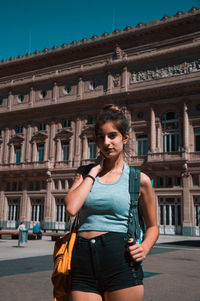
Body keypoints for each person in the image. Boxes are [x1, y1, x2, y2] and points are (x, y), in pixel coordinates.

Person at [65, 104, 159, 301]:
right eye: (101, 137)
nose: (107, 142)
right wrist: (93, 172)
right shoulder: (84, 173)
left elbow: (153, 226)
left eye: (112, 136)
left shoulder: (138, 179)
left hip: (120, 261)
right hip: (83, 261)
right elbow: (72, 208)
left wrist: (145, 247)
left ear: (124, 137)